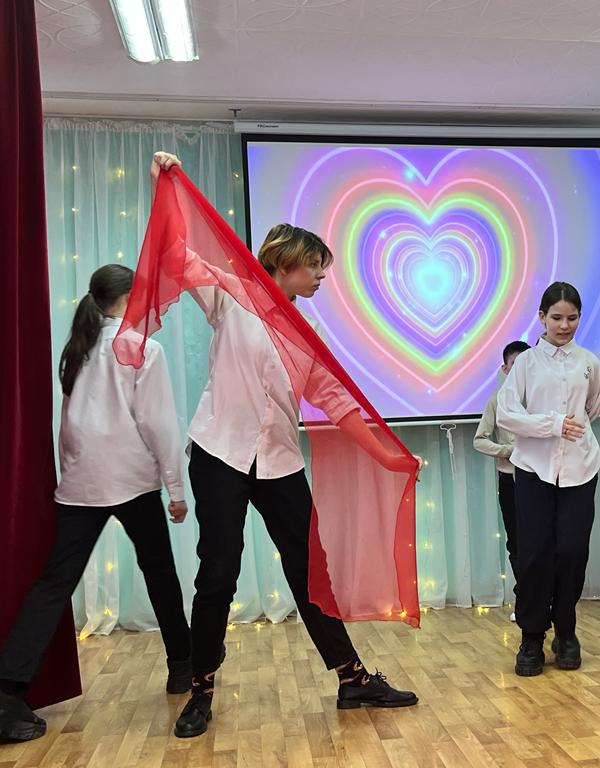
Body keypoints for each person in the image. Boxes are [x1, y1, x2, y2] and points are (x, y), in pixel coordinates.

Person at [145, 153, 418, 740]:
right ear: (286, 263)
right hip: (219, 453)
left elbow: (337, 402)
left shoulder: (304, 332)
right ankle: (201, 688)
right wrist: (163, 185)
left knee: (311, 571)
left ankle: (352, 679)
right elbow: (176, 254)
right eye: (315, 266)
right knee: (218, 572)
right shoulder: (231, 295)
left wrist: (387, 455)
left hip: (279, 463)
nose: (321, 277)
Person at [0, 265, 191, 742]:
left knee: (53, 584)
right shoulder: (143, 348)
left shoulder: (77, 348)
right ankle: (182, 667)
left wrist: (73, 473)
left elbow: (70, 426)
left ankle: (7, 690)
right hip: (132, 480)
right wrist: (176, 489)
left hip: (82, 483)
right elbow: (159, 424)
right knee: (161, 575)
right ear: (128, 297)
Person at [497, 282, 600, 676]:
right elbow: (507, 414)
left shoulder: (589, 362)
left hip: (580, 469)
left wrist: (567, 428)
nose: (564, 325)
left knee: (573, 552)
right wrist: (553, 424)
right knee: (534, 553)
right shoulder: (525, 364)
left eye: (572, 318)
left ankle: (566, 631)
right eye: (556, 317)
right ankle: (531, 637)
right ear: (541, 317)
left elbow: (592, 408)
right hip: (533, 470)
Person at [473, 340, 530, 622]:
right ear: (505, 369)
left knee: (542, 540)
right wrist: (506, 450)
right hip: (510, 479)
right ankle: (526, 599)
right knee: (516, 542)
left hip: (541, 479)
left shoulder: (542, 399)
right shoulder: (496, 401)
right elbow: (479, 440)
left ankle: (544, 597)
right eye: (514, 365)